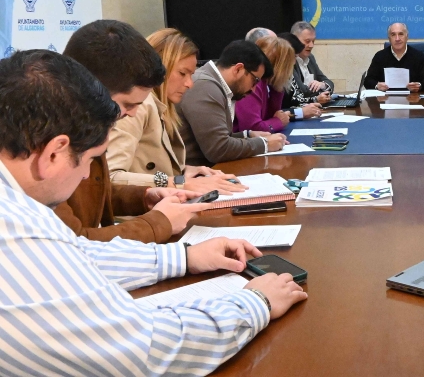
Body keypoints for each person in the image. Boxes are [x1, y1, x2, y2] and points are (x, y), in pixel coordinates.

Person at [0, 49, 307, 375]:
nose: (88, 177)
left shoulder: (19, 209)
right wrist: (254, 304)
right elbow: (142, 350)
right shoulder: (15, 226)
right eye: (90, 160)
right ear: (54, 153)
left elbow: (77, 254)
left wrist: (184, 258)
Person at [54, 20, 208, 243]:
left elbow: (94, 191)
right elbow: (77, 245)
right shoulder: (49, 139)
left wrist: (142, 197)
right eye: (127, 105)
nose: (132, 114)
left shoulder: (85, 125)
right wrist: (161, 217)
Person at [107, 28, 245, 195]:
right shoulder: (138, 105)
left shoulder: (160, 104)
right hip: (140, 214)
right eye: (182, 73)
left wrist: (184, 171)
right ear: (160, 67)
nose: (189, 84)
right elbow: (111, 176)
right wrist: (178, 182)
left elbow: (147, 166)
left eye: (191, 75)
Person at [177, 40, 287, 167]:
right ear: (238, 69)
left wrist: (248, 135)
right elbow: (218, 149)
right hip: (192, 175)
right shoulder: (205, 86)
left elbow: (217, 137)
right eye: (255, 80)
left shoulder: (214, 84)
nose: (254, 89)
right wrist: (265, 144)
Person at [234, 36, 299, 134]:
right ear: (282, 66)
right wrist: (278, 122)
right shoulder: (254, 82)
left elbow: (271, 116)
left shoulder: (267, 83)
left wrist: (278, 86)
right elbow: (252, 128)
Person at [365, 22, 424, 92]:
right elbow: (368, 81)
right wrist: (377, 85)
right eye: (393, 34)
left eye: (401, 34)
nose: (397, 39)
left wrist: (419, 85)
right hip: (385, 99)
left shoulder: (418, 56)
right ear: (389, 38)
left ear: (407, 37)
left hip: (413, 99)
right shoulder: (379, 56)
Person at [284, 21, 333, 107]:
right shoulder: (288, 61)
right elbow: (302, 92)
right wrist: (317, 96)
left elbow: (328, 81)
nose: (311, 45)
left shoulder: (311, 58)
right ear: (295, 40)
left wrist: (322, 85)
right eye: (307, 41)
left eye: (313, 41)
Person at [279, 31, 323, 120]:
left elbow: (296, 98)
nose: (295, 62)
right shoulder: (271, 80)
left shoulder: (287, 73)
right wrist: (301, 112)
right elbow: (274, 114)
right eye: (294, 56)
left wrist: (311, 103)